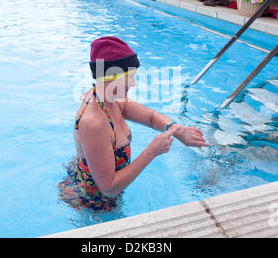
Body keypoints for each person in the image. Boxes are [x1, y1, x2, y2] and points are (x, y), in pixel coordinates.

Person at [58, 37, 209, 211]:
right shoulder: (94, 123)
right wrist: (152, 151)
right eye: (129, 77)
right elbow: (108, 188)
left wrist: (176, 130)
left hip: (96, 178)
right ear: (110, 78)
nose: (133, 83)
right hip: (94, 201)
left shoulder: (111, 100)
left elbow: (151, 117)